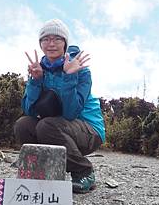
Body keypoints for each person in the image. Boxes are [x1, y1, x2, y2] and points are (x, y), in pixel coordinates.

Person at [14, 18, 106, 193]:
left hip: (89, 131)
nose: (51, 44)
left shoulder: (81, 70)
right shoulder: (39, 69)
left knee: (46, 126)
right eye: (46, 39)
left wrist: (69, 76)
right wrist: (36, 80)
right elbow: (30, 110)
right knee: (23, 125)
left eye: (57, 39)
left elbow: (71, 112)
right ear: (40, 44)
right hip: (58, 127)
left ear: (65, 43)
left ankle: (84, 172)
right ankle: (40, 173)